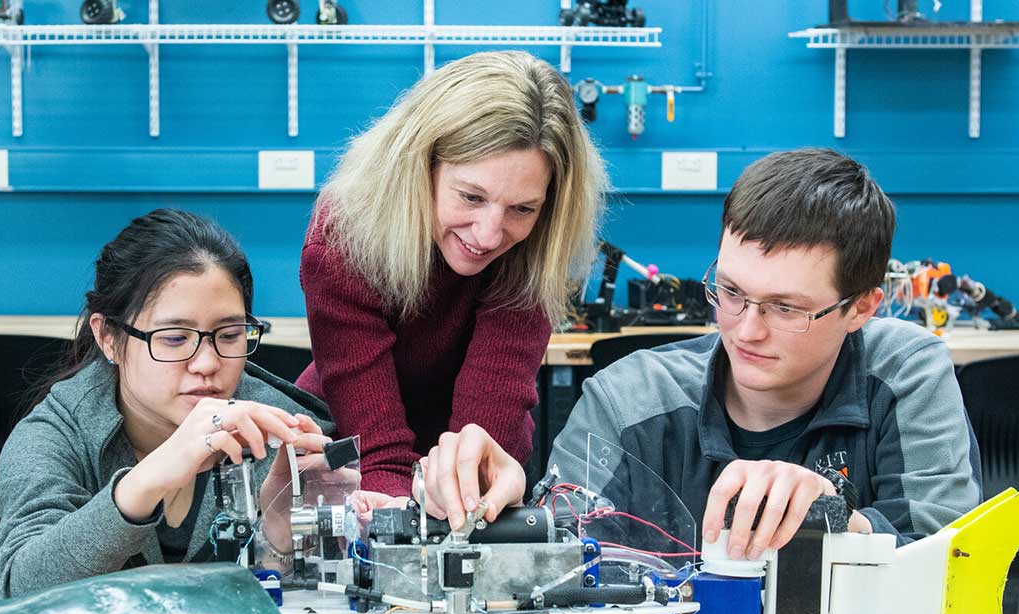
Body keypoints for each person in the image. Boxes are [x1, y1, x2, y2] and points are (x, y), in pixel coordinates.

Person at [413, 148, 982, 557]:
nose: (746, 331)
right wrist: (503, 513)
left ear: (861, 309)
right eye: (731, 292)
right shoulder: (627, 396)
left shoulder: (905, 370)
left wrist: (836, 521)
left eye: (786, 308)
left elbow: (956, 563)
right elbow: (553, 557)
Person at [296, 49, 607, 518]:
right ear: (420, 166)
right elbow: (378, 450)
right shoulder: (342, 238)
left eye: (522, 209)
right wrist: (391, 509)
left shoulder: (535, 246)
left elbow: (487, 421)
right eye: (471, 196)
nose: (488, 235)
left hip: (464, 440)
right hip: (352, 443)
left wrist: (474, 487)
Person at [0, 209, 333, 599]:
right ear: (108, 337)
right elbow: (21, 588)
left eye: (230, 334)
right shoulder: (57, 434)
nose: (207, 364)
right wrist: (148, 480)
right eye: (173, 338)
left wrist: (282, 537)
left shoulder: (280, 430)